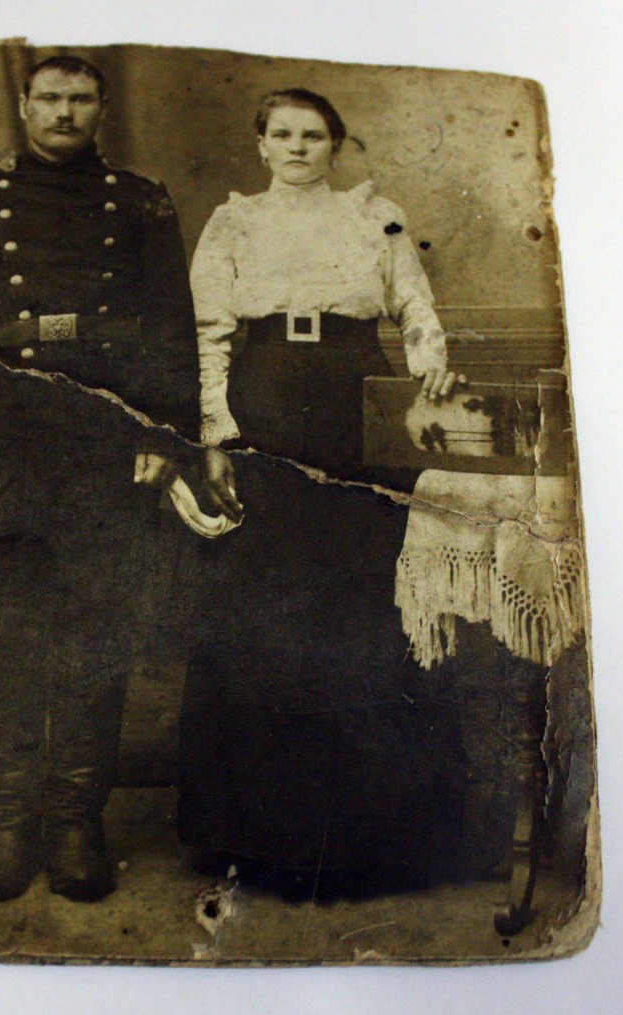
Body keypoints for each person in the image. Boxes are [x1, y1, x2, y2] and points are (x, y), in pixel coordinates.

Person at [0, 56, 209, 903]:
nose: (65, 111)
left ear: (100, 108)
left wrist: (162, 436)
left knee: (95, 642)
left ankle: (74, 825)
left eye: (81, 98)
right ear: (25, 106)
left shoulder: (140, 202)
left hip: (103, 443)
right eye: (50, 98)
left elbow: (172, 330)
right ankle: (7, 826)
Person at [178, 88, 466, 896]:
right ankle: (257, 834)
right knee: (267, 609)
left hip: (354, 399)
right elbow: (209, 332)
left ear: (336, 147)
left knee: (361, 605)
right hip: (266, 398)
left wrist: (429, 367)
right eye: (283, 134)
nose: (298, 147)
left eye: (314, 135)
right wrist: (217, 428)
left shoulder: (376, 216)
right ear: (261, 145)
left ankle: (369, 840)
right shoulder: (233, 223)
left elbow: (414, 306)